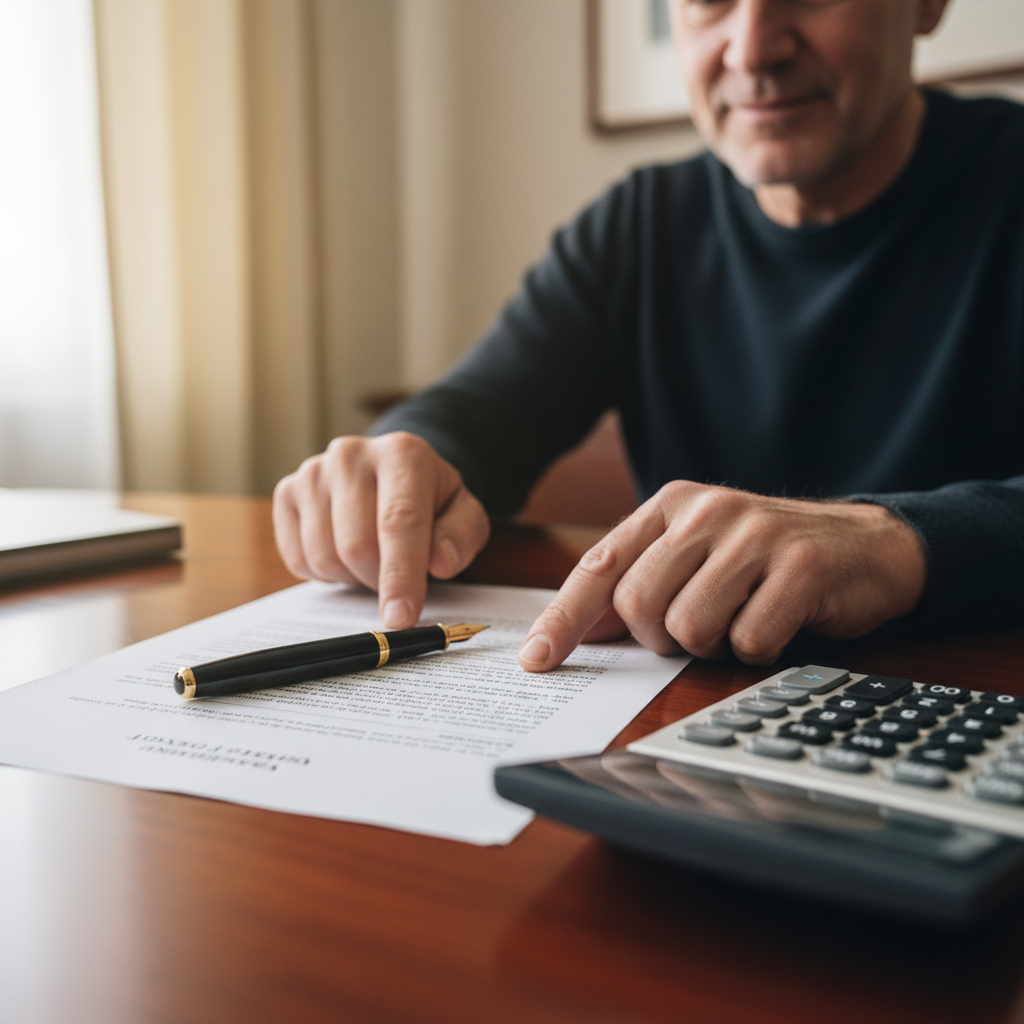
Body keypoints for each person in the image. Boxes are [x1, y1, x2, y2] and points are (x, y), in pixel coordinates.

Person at [273, 0, 1024, 674]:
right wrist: (399, 467)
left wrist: (894, 543)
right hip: (673, 735)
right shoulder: (640, 225)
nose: (752, 48)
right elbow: (478, 412)